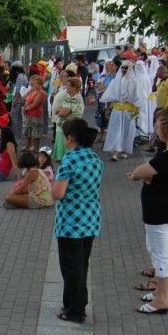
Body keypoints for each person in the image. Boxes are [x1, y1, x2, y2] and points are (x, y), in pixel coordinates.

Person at [127, 108, 168, 314]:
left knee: (162, 253)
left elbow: (141, 172)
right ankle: (161, 291)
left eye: (158, 125)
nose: (155, 128)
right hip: (163, 208)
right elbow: (147, 173)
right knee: (156, 249)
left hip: (161, 209)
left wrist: (143, 175)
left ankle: (162, 297)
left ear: (167, 129)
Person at [52, 118, 104, 323]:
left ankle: (74, 309)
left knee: (70, 266)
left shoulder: (70, 159)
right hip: (91, 218)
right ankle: (75, 305)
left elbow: (58, 192)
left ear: (70, 138)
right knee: (82, 264)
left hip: (71, 220)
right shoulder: (95, 158)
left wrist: (52, 188)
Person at [101, 61, 146, 161]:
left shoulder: (135, 82)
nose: (124, 70)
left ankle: (124, 150)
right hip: (117, 110)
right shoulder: (115, 81)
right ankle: (115, 152)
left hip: (128, 111)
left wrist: (137, 110)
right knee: (116, 131)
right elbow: (109, 96)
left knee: (127, 131)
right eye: (123, 68)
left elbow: (139, 97)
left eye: (126, 68)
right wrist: (107, 109)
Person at [51, 77, 85, 162]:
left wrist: (61, 111)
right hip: (62, 125)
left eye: (69, 86)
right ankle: (60, 157)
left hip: (71, 125)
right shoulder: (68, 97)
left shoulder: (77, 98)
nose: (66, 87)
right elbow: (59, 109)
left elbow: (64, 112)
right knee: (60, 140)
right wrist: (60, 110)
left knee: (69, 142)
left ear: (75, 87)